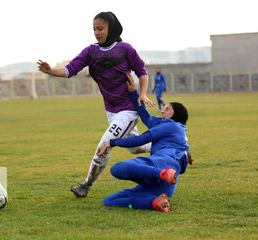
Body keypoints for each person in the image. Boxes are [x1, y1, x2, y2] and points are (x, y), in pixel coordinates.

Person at [37, 11, 154, 198]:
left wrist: (142, 93)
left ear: (111, 28)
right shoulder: (91, 51)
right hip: (111, 111)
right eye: (94, 29)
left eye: (100, 28)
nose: (96, 33)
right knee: (135, 148)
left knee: (105, 144)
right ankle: (165, 144)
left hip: (129, 109)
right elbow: (70, 69)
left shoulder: (125, 48)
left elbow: (142, 71)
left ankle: (86, 185)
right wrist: (50, 70)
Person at [98, 74, 192, 212]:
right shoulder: (170, 127)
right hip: (162, 187)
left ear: (175, 115)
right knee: (109, 201)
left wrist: (112, 142)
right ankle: (154, 203)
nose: (162, 110)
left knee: (116, 168)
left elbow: (141, 139)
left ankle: (162, 174)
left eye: (167, 109)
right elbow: (146, 118)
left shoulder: (171, 126)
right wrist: (134, 93)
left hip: (163, 164)